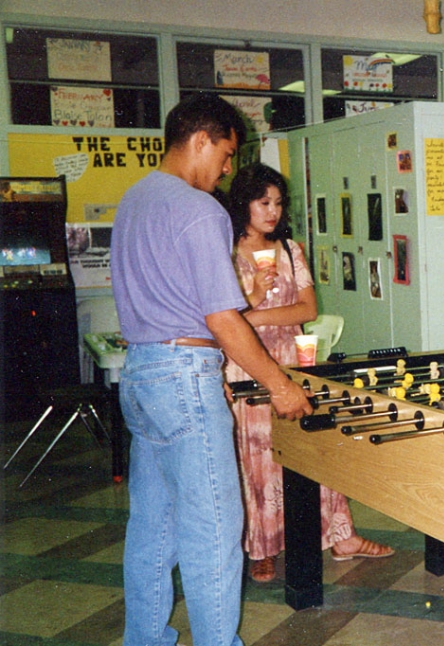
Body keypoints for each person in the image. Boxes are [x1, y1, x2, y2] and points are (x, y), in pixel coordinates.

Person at [111, 94, 313, 646]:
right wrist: (280, 385)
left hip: (141, 373)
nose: (228, 169)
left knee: (153, 528)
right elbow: (223, 319)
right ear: (201, 140)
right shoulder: (199, 208)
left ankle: (145, 639)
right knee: (215, 530)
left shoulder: (133, 200)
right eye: (226, 153)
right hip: (183, 376)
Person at [225, 163, 394, 583]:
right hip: (245, 363)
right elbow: (221, 318)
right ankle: (261, 547)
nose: (272, 211)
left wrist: (256, 317)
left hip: (291, 358)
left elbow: (308, 310)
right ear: (243, 202)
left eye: (279, 203)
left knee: (314, 445)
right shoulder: (222, 251)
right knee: (257, 455)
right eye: (264, 202)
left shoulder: (290, 250)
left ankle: (342, 535)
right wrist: (255, 298)